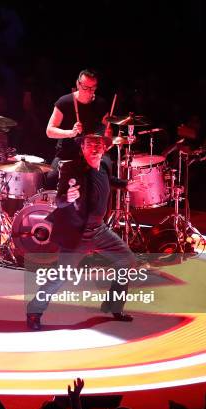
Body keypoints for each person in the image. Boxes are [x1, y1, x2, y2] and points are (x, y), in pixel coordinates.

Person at [27, 135, 145, 330]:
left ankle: (113, 305)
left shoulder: (105, 163)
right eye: (89, 144)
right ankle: (34, 311)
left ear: (105, 148)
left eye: (99, 144)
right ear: (82, 147)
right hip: (77, 233)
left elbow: (108, 179)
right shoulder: (71, 168)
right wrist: (69, 197)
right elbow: (59, 201)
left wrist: (126, 185)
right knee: (61, 276)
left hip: (99, 230)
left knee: (127, 261)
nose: (95, 147)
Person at [45, 69, 111, 189]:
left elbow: (106, 132)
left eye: (92, 88)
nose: (89, 92)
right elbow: (49, 131)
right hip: (67, 153)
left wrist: (108, 140)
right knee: (51, 179)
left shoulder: (101, 104)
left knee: (104, 179)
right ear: (78, 84)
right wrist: (71, 132)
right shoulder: (64, 102)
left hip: (91, 155)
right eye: (85, 87)